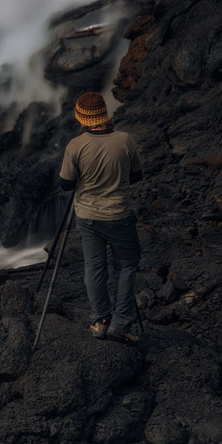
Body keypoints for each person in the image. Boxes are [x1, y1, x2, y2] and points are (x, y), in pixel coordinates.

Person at [59, 91, 142, 343]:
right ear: (105, 114)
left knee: (94, 267)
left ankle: (100, 321)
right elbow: (137, 176)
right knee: (126, 266)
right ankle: (121, 323)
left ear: (81, 118)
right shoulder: (125, 140)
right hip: (119, 214)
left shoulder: (76, 145)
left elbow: (65, 184)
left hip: (87, 216)